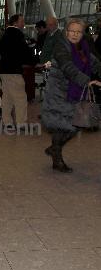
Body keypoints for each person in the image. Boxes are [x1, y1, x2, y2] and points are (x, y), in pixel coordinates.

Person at [42, 18, 101, 173]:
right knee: (63, 125)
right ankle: (57, 159)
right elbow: (68, 67)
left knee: (75, 125)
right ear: (66, 32)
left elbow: (95, 63)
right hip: (59, 93)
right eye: (72, 31)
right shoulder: (61, 47)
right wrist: (87, 81)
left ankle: (55, 147)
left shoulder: (83, 48)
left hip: (75, 92)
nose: (75, 34)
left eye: (78, 32)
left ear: (82, 34)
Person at [0, 14, 35, 128]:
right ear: (15, 23)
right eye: (22, 21)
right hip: (14, 70)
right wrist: (34, 61)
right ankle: (21, 123)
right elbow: (24, 52)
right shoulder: (17, 34)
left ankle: (7, 121)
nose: (23, 23)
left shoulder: (5, 35)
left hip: (4, 69)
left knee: (7, 97)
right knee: (21, 98)